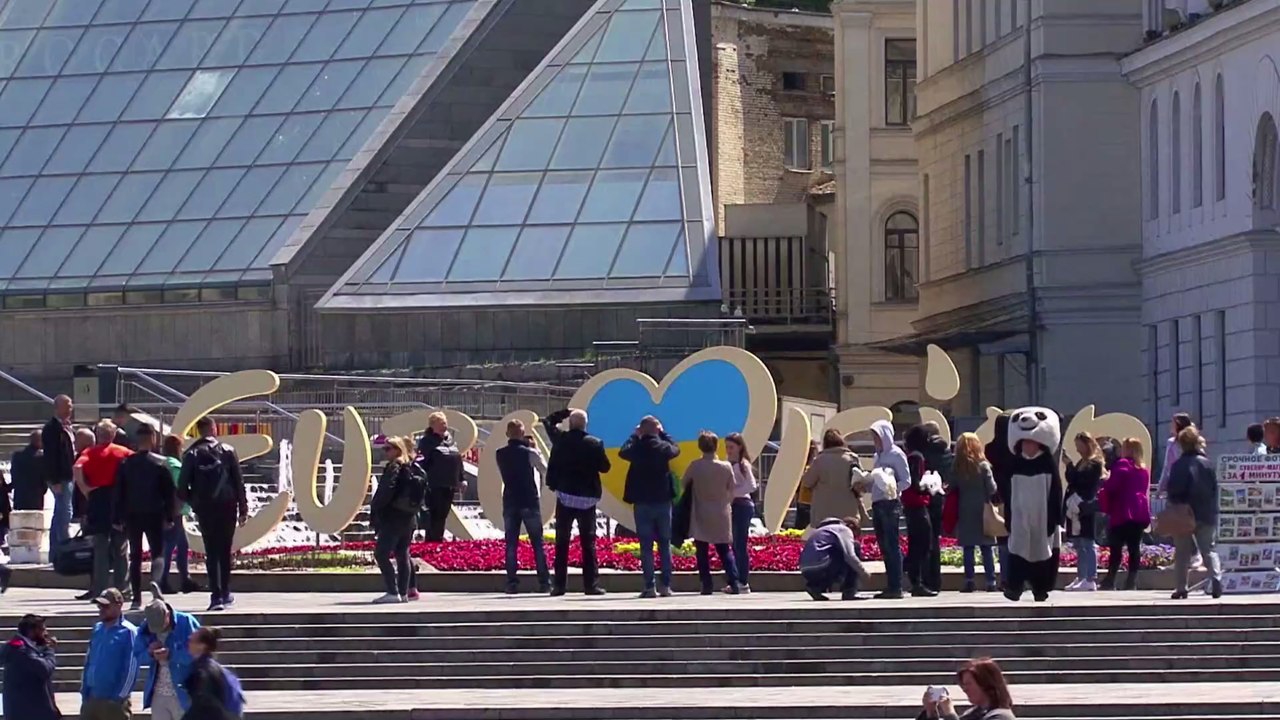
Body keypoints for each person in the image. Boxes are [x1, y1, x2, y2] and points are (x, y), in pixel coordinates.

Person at [178, 417, 248, 612]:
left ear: (199, 431)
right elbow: (238, 482)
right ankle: (226, 592)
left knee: (211, 550)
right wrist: (243, 509)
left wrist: (196, 502)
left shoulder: (190, 454)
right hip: (227, 506)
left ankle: (215, 595)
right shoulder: (228, 450)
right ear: (213, 428)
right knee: (225, 550)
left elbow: (182, 488)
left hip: (205, 509)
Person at [542, 408, 610, 596]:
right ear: (585, 425)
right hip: (587, 498)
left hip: (565, 495)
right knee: (588, 543)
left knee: (562, 542)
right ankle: (591, 585)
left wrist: (566, 411)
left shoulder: (561, 439)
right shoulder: (595, 443)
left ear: (570, 424)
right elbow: (605, 468)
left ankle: (559, 586)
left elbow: (548, 421)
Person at [114, 424, 177, 611]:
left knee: (135, 556)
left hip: (133, 514)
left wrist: (117, 518)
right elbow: (169, 493)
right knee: (158, 552)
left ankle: (136, 598)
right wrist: (170, 516)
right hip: (155, 513)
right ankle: (156, 582)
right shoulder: (160, 463)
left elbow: (119, 493)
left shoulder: (126, 464)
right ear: (153, 439)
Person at [620, 415, 680, 598]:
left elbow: (622, 452)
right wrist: (663, 433)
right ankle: (666, 586)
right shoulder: (663, 447)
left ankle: (649, 586)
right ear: (657, 429)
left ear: (642, 429)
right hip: (662, 501)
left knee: (646, 546)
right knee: (664, 544)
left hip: (642, 502)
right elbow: (676, 449)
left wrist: (635, 435)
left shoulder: (636, 448)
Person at [78, 421, 132, 602]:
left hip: (98, 500)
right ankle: (122, 589)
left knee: (100, 548)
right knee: (121, 548)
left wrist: (85, 488)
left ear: (97, 434)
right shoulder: (123, 452)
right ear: (114, 434)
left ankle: (99, 590)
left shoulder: (89, 452)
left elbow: (77, 468)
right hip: (119, 501)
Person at [1167, 426, 1224, 599]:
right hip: (1206, 512)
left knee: (1183, 552)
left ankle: (1181, 588)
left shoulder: (1178, 465)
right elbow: (1215, 488)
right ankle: (1216, 578)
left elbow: (1174, 490)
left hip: (1184, 512)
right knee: (1209, 549)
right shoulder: (1207, 463)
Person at [681, 431, 741, 594]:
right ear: (716, 446)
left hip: (701, 511)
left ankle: (706, 584)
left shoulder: (695, 466)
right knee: (724, 550)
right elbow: (732, 488)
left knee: (702, 550)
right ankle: (734, 581)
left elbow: (683, 483)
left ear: (700, 447)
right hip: (721, 512)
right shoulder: (726, 466)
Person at [496, 420, 551, 594]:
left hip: (510, 501)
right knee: (537, 543)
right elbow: (545, 470)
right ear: (522, 434)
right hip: (529, 500)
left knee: (511, 544)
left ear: (507, 434)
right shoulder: (530, 453)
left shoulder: (500, 454)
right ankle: (544, 582)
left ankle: (511, 583)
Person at [136, 583, 200, 720]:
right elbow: (137, 656)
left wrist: (172, 655)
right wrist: (150, 653)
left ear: (167, 614)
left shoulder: (186, 622)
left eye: (161, 626)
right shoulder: (145, 628)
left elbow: (198, 655)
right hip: (159, 694)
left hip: (184, 693)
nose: (158, 630)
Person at [368, 436, 419, 604]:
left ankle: (392, 591)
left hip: (393, 518)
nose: (385, 452)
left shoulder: (395, 467)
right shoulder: (411, 466)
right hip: (409, 517)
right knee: (402, 554)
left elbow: (386, 490)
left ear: (398, 450)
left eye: (388, 448)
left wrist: (376, 507)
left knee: (381, 553)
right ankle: (403, 593)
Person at [1098, 438, 1151, 591]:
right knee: (1134, 547)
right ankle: (1131, 581)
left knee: (1116, 546)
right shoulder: (1143, 469)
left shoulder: (1122, 464)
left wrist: (1106, 480)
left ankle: (1110, 579)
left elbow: (1112, 486)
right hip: (1139, 509)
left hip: (1123, 509)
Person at [81, 588, 139, 720]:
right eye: (99, 606)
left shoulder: (129, 632)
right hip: (92, 699)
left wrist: (119, 697)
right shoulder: (97, 629)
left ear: (119, 605)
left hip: (113, 702)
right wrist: (84, 691)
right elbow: (89, 660)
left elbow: (131, 668)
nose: (101, 609)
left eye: (106, 606)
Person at [802, 429, 870, 543]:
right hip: (849, 511)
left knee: (826, 542)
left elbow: (807, 482)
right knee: (848, 542)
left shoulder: (819, 460)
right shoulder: (852, 458)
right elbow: (859, 482)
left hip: (823, 512)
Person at [952, 432, 998, 593]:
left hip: (965, 509)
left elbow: (951, 486)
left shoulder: (957, 466)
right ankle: (991, 581)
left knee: (968, 548)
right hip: (983, 509)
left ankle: (969, 580)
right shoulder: (983, 466)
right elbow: (992, 489)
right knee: (986, 547)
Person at [870, 419, 908, 599]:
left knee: (892, 545)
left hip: (890, 504)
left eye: (877, 436)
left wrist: (892, 490)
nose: (875, 440)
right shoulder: (878, 456)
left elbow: (906, 481)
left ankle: (896, 585)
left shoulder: (896, 455)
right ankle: (890, 584)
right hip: (877, 503)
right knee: (884, 545)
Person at [1063, 432, 1105, 592]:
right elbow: (1072, 479)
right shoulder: (1082, 462)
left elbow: (1080, 480)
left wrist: (1069, 466)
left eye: (1079, 445)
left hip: (1086, 504)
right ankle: (1081, 576)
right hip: (1076, 505)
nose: (1077, 448)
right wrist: (1070, 466)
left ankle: (1090, 577)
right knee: (1079, 543)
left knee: (1088, 542)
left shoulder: (1094, 463)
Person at [160, 434, 200, 595]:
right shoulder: (175, 465)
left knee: (182, 545)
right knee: (169, 546)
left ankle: (185, 579)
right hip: (175, 511)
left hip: (168, 510)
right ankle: (163, 580)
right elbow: (180, 487)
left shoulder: (164, 463)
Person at [902, 425, 939, 597]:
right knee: (923, 544)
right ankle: (917, 581)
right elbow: (915, 484)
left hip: (911, 505)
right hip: (917, 504)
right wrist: (930, 488)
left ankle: (914, 578)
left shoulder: (911, 456)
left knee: (916, 543)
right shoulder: (917, 457)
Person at [2, 613, 61, 720]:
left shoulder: (23, 646)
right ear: (31, 631)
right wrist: (49, 650)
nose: (46, 633)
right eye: (43, 630)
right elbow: (45, 669)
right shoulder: (21, 650)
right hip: (30, 713)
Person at [416, 411, 464, 542]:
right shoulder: (426, 442)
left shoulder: (450, 440)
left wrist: (461, 478)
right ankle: (432, 542)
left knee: (443, 515)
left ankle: (438, 540)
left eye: (445, 423)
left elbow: (458, 459)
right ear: (432, 426)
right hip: (434, 484)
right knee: (434, 515)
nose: (444, 426)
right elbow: (422, 462)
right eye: (441, 423)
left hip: (449, 483)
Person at [918, 658, 1016, 720]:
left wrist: (950, 714)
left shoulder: (1001, 716)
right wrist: (931, 712)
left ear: (985, 684)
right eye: (963, 684)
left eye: (969, 684)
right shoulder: (972, 714)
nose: (965, 689)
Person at [800, 516, 870, 601]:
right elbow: (850, 555)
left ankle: (815, 586)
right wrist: (863, 572)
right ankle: (849, 592)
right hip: (822, 566)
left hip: (805, 569)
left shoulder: (821, 530)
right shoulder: (844, 529)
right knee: (855, 546)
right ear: (851, 527)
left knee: (836, 550)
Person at [984, 413, 1015, 589]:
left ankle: (1004, 578)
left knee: (1003, 539)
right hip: (1015, 495)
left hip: (998, 495)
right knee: (1016, 538)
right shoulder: (1015, 449)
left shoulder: (990, 448)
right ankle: (1016, 577)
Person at [42, 394, 76, 552]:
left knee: (60, 511)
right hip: (60, 477)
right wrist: (55, 480)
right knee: (65, 512)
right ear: (58, 407)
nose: (71, 408)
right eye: (68, 405)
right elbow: (51, 455)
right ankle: (63, 546)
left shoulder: (67, 426)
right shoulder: (51, 429)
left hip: (68, 475)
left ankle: (55, 550)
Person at [182, 627, 241, 720]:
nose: (187, 643)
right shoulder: (210, 666)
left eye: (191, 640)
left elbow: (201, 703)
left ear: (202, 646)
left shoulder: (203, 671)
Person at [724, 432, 757, 593]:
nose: (728, 450)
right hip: (732, 506)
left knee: (740, 544)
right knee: (734, 544)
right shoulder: (726, 465)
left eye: (731, 447)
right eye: (727, 447)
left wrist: (733, 493)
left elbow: (751, 486)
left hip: (742, 505)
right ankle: (735, 580)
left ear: (739, 447)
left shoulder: (743, 465)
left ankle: (743, 581)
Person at [1157, 413, 1194, 493]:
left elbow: (1167, 467)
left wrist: (1160, 488)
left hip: (1177, 482)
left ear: (1178, 425)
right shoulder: (1195, 441)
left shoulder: (1172, 443)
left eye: (1173, 423)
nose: (1171, 426)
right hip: (1193, 481)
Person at [12, 429, 45, 512]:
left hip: (20, 495)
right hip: (36, 496)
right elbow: (44, 478)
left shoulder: (17, 455)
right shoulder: (42, 457)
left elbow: (14, 475)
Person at [794, 440, 820, 530]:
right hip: (812, 501)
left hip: (803, 501)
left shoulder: (801, 466)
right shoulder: (816, 464)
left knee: (801, 529)